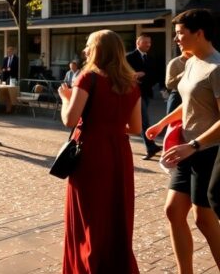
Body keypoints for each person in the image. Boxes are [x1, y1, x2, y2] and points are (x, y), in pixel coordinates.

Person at [57, 29, 141, 273]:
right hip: (119, 152)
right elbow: (136, 128)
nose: (85, 50)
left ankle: (88, 266)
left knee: (89, 216)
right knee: (115, 213)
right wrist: (112, 124)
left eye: (88, 45)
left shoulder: (88, 78)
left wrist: (65, 98)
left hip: (92, 152)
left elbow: (70, 119)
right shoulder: (131, 83)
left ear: (97, 50)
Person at [146, 9, 220, 272]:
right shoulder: (190, 62)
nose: (176, 39)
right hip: (186, 149)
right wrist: (162, 123)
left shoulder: (217, 67)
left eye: (180, 33)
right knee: (174, 211)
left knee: (203, 219)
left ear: (199, 33)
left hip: (209, 151)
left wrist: (194, 145)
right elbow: (189, 103)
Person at [126, 34, 161, 160]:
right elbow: (122, 73)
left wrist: (144, 75)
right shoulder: (128, 57)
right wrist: (134, 75)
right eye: (145, 42)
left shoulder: (150, 58)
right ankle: (151, 147)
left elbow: (155, 75)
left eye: (149, 42)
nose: (148, 45)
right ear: (138, 43)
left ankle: (151, 146)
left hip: (146, 93)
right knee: (143, 120)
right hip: (133, 93)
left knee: (141, 120)